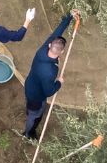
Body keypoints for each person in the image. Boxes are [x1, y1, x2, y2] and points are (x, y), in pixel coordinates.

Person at [22, 9, 79, 140]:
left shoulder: (42, 50)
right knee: (36, 115)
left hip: (30, 84)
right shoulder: (50, 71)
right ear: (62, 52)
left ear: (49, 45)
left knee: (31, 107)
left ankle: (29, 112)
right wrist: (59, 82)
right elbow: (48, 92)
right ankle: (28, 133)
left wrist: (69, 16)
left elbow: (57, 32)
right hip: (37, 95)